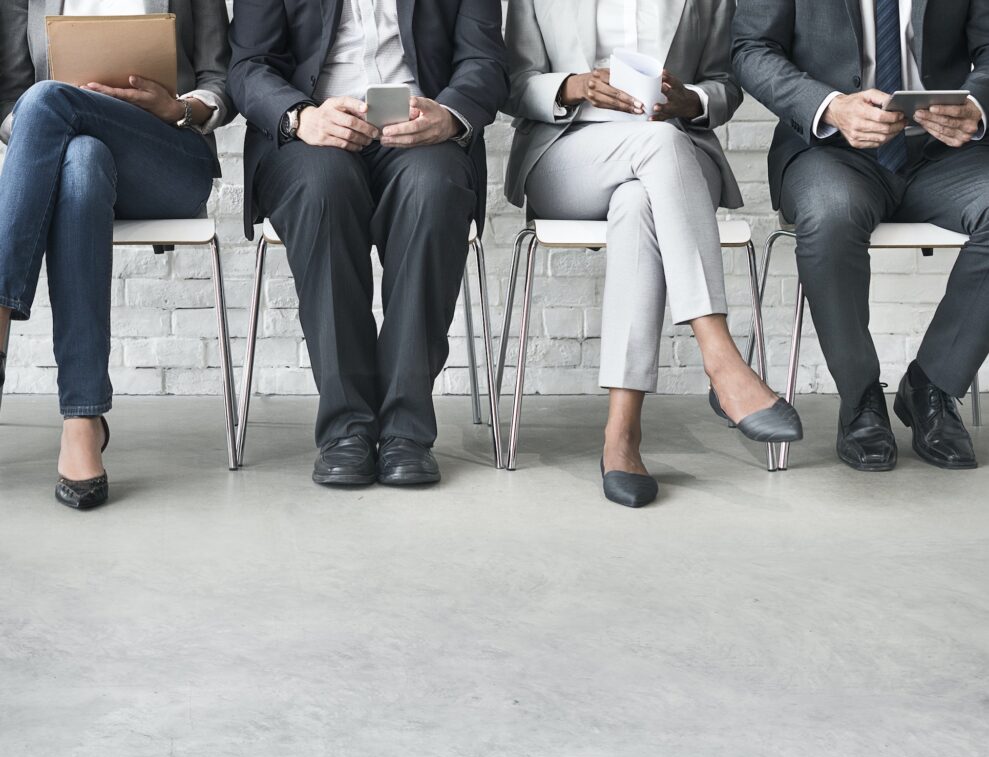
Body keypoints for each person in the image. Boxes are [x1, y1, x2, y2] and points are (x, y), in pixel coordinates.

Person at [503, 0, 802, 509]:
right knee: (656, 147)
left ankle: (622, 435)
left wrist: (691, 102)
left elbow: (725, 85)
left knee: (640, 196)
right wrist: (573, 85)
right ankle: (723, 361)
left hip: (675, 159)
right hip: (569, 152)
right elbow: (512, 83)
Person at [227, 0, 509, 488]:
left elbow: (485, 60)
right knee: (324, 191)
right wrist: (300, 116)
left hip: (422, 134)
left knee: (433, 192)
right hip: (312, 136)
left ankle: (406, 432)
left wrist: (450, 114)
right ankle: (346, 430)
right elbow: (248, 65)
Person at [733, 0, 989, 472]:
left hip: (941, 153)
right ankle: (860, 398)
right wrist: (829, 106)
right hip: (830, 149)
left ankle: (932, 386)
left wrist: (974, 104)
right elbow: (751, 47)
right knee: (830, 214)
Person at [0, 0, 234, 509]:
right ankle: (82, 420)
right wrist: (50, 125)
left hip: (167, 157)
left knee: (45, 101)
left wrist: (179, 107)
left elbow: (223, 79)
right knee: (81, 159)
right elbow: (6, 101)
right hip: (68, 163)